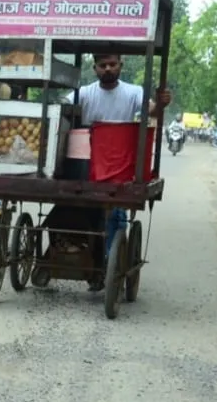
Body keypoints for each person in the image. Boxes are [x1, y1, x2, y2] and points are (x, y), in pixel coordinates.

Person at [65, 52, 171, 289]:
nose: (108, 69)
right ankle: (82, 254)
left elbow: (150, 111)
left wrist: (161, 104)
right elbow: (64, 107)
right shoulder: (84, 93)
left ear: (120, 66)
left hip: (119, 164)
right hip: (87, 163)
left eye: (112, 64)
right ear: (95, 68)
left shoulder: (133, 92)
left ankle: (109, 263)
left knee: (114, 214)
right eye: (103, 65)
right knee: (76, 208)